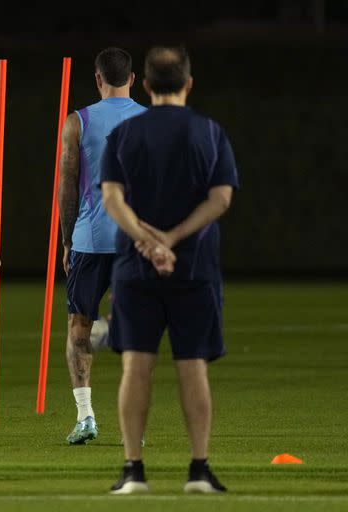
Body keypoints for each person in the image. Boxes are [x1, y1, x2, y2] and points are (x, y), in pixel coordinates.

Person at [100, 46, 238, 494]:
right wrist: (173, 240)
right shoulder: (210, 131)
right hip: (194, 267)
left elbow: (112, 199)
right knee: (192, 365)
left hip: (135, 269)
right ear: (188, 83)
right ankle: (198, 469)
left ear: (145, 84)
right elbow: (220, 200)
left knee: (136, 366)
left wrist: (147, 241)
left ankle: (133, 471)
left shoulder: (125, 133)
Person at [58, 47, 146, 445]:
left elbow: (67, 184)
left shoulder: (77, 121)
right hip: (137, 240)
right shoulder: (152, 121)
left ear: (97, 78)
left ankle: (85, 417)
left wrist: (65, 240)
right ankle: (134, 427)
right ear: (133, 78)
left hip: (89, 241)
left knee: (78, 326)